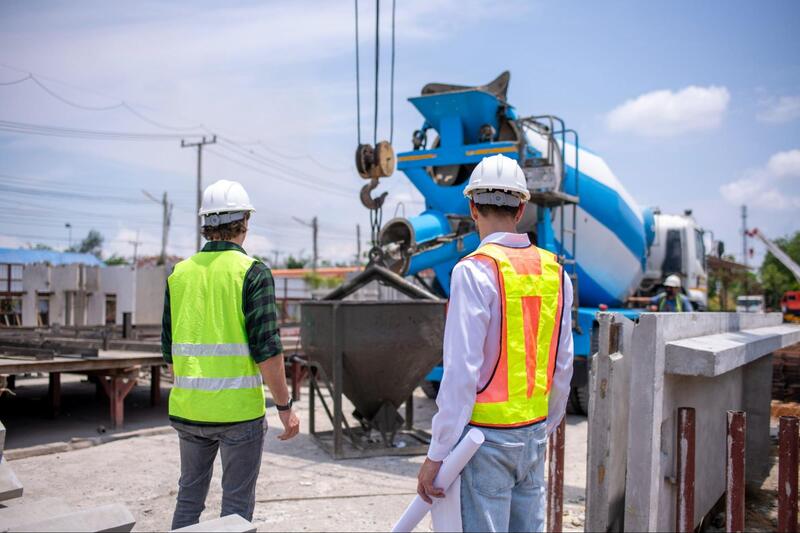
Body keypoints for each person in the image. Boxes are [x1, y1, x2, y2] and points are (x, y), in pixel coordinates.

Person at [416, 154, 574, 532]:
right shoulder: (556, 271)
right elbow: (563, 364)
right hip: (534, 433)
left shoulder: (473, 271)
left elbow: (460, 373)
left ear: (472, 207)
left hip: (483, 441)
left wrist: (437, 453)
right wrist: (543, 426)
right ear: (521, 209)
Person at [161, 179, 300, 529]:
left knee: (189, 499)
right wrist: (284, 408)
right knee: (235, 509)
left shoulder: (179, 274)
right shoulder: (252, 272)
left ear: (205, 225)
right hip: (238, 416)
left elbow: (169, 351)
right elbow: (268, 352)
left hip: (188, 410)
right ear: (245, 223)